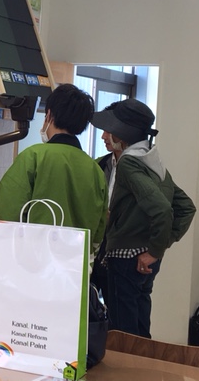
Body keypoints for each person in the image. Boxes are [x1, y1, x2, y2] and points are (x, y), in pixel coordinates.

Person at [90, 99, 196, 338]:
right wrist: (156, 250)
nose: (104, 136)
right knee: (139, 331)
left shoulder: (128, 163)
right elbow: (186, 208)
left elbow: (162, 210)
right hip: (142, 260)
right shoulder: (152, 161)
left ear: (123, 133)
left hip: (124, 259)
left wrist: (156, 250)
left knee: (123, 335)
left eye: (109, 130)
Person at [0, 83, 108, 255]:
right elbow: (99, 230)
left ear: (49, 115)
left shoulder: (33, 157)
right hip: (75, 264)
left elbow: (4, 215)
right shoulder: (95, 170)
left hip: (33, 262)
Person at [91, 102, 123, 301]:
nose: (103, 136)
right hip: (96, 250)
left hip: (123, 255)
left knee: (120, 313)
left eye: (108, 130)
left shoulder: (142, 169)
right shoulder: (99, 165)